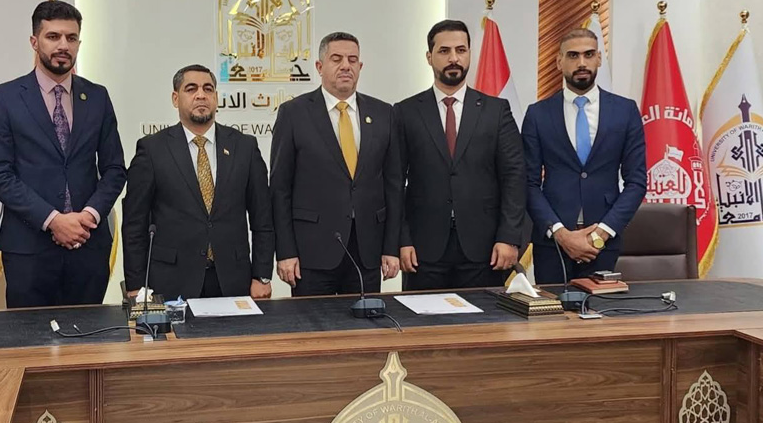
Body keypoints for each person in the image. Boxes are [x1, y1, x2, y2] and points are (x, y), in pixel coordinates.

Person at [0, 0, 126, 307]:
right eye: (53, 37)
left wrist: (88, 216)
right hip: (29, 249)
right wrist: (53, 220)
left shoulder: (97, 96)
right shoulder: (4, 97)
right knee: (31, 336)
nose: (63, 45)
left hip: (88, 246)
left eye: (71, 38)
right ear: (34, 41)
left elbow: (114, 169)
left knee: (90, 334)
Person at [122, 65, 274, 300]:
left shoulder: (244, 146)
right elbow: (134, 223)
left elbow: (262, 218)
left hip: (233, 280)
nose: (201, 95)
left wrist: (262, 276)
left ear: (216, 98)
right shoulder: (152, 149)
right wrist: (136, 285)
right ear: (175, 98)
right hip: (170, 282)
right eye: (191, 89)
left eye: (208, 89)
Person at [395, 20, 526, 290]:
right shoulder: (405, 112)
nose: (453, 58)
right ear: (429, 57)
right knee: (424, 318)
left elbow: (514, 176)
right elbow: (394, 181)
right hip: (423, 250)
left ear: (469, 54)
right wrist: (402, 239)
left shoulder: (496, 110)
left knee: (484, 318)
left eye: (461, 50)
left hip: (486, 248)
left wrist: (509, 237)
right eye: (444, 51)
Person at [270, 32, 402, 296]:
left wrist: (391, 247)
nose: (345, 66)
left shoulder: (383, 113)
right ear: (320, 67)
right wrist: (285, 252)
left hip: (366, 250)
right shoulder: (294, 113)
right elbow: (279, 188)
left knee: (365, 321)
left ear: (360, 67)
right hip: (312, 251)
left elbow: (394, 184)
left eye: (352, 60)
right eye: (336, 59)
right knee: (313, 322)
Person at [522, 28, 646, 283]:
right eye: (573, 55)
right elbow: (528, 183)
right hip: (553, 243)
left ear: (599, 59)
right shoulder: (538, 114)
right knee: (553, 308)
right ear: (559, 61)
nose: (581, 63)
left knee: (601, 308)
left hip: (604, 242)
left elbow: (636, 182)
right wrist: (561, 233)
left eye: (588, 55)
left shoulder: (625, 111)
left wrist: (602, 233)